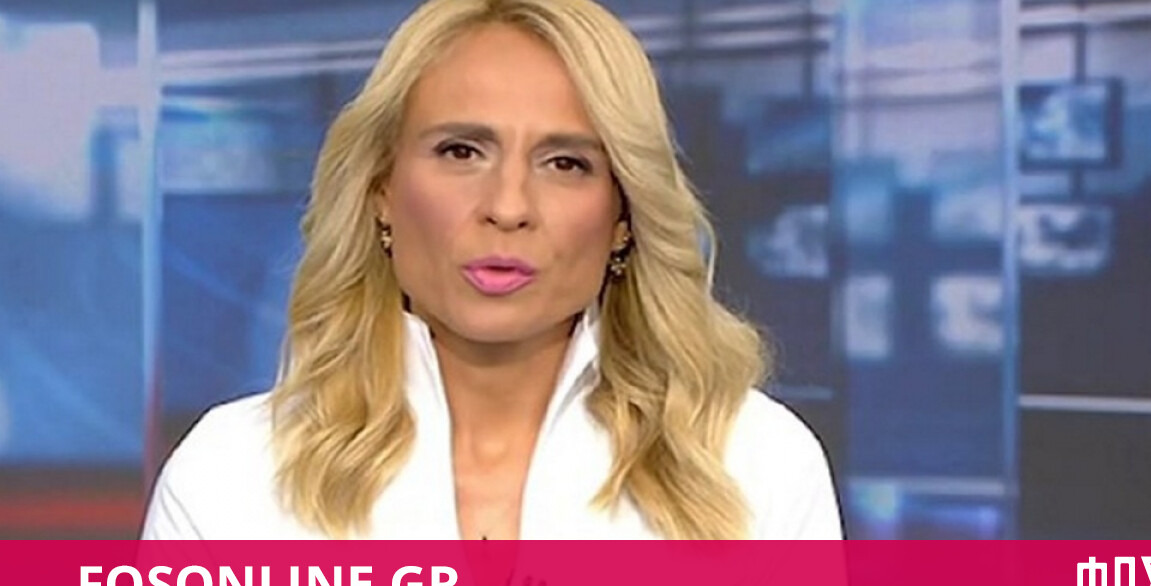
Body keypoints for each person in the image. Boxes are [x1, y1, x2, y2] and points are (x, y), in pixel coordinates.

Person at [141, 0, 842, 541]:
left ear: (623, 215)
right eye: (461, 152)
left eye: (565, 163)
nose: (508, 207)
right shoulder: (231, 479)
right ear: (381, 190)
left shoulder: (756, 466)